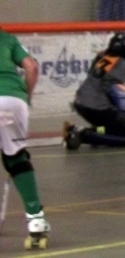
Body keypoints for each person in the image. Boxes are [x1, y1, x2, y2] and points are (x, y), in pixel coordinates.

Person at [0, 28, 50, 248]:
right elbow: (32, 67)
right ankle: (36, 220)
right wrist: (26, 97)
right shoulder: (6, 38)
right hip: (13, 100)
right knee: (16, 158)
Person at [63, 32, 125, 150]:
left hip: (81, 102)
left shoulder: (106, 58)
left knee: (108, 128)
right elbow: (109, 86)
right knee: (124, 134)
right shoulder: (124, 66)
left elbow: (96, 78)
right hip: (95, 106)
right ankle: (84, 135)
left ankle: (82, 131)